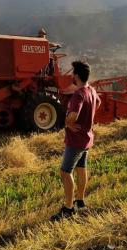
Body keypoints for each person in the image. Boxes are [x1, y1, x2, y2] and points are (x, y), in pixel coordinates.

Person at [51, 61, 101, 221]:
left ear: (77, 76)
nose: (72, 76)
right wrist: (88, 118)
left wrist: (67, 122)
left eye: (73, 74)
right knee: (81, 168)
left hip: (76, 140)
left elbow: (73, 115)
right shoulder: (91, 90)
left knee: (65, 171)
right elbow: (98, 103)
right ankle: (80, 200)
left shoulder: (78, 94)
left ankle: (68, 208)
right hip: (87, 137)